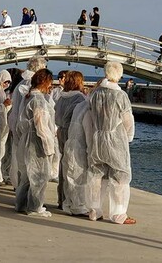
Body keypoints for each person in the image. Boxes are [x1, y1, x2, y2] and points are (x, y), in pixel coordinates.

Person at [85, 61, 136, 224]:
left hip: (97, 137)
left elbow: (90, 116)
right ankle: (118, 213)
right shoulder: (121, 96)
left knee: (95, 174)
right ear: (119, 75)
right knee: (120, 176)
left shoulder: (95, 94)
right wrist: (128, 138)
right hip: (115, 140)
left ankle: (94, 209)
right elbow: (128, 120)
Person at [15, 68, 56, 217]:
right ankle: (34, 207)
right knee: (39, 175)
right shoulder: (39, 100)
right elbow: (41, 125)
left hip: (27, 139)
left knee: (27, 175)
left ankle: (21, 203)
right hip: (36, 141)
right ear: (45, 82)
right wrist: (48, 145)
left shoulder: (27, 97)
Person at [8, 56, 47, 188]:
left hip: (19, 124)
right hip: (29, 128)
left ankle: (20, 188)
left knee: (20, 159)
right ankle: (28, 194)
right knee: (31, 163)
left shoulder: (21, 82)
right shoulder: (31, 84)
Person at [54, 71, 86, 209]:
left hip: (61, 131)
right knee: (75, 167)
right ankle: (73, 200)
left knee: (63, 163)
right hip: (74, 133)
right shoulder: (79, 98)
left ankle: (62, 198)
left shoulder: (62, 97)